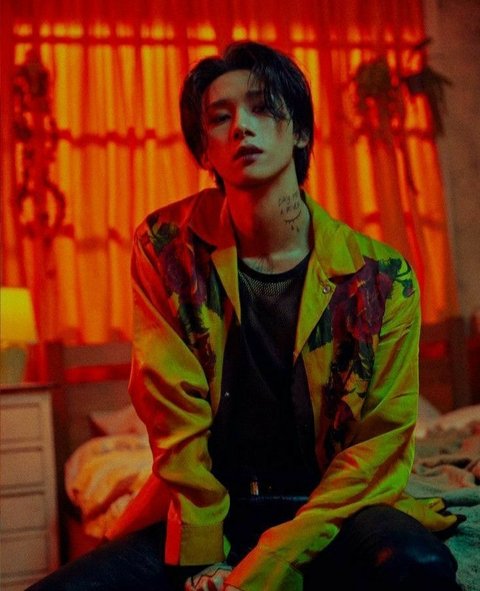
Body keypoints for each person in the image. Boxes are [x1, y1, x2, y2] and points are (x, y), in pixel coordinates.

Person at [28, 41, 463, 591]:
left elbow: (377, 447)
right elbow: (176, 427)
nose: (241, 127)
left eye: (262, 108)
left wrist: (275, 558)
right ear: (204, 151)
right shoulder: (167, 248)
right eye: (220, 117)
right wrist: (204, 556)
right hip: (213, 505)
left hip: (336, 507)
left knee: (420, 567)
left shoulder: (380, 277)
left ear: (299, 132)